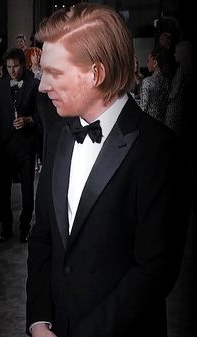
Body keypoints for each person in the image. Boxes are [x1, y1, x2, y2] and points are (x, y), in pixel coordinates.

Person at [26, 3, 190, 337]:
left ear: (95, 74)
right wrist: (38, 318)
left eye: (54, 73)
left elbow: (153, 271)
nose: (43, 87)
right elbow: (42, 234)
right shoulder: (58, 134)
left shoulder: (160, 150)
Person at [0, 48, 39, 243]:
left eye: (15, 66)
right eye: (8, 67)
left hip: (26, 147)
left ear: (23, 65)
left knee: (27, 192)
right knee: (3, 192)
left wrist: (28, 120)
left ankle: (25, 228)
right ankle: (6, 228)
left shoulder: (34, 84)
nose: (12, 71)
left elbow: (39, 115)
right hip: (3, 147)